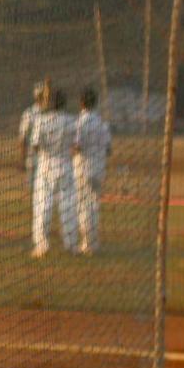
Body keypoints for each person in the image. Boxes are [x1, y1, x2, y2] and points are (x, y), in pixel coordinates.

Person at [27, 85, 77, 258]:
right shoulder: (72, 121)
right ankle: (71, 244)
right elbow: (76, 146)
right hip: (66, 165)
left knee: (42, 206)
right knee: (68, 206)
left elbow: (34, 146)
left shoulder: (41, 120)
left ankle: (42, 245)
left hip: (45, 166)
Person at [72, 88, 111, 255]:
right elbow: (109, 149)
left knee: (82, 206)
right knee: (94, 205)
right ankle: (93, 242)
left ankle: (86, 243)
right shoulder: (103, 123)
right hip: (99, 169)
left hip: (82, 169)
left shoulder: (80, 122)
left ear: (82, 103)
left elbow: (77, 146)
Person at [16, 80, 48, 201]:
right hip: (34, 159)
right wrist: (22, 159)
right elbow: (22, 138)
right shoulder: (29, 114)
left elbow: (22, 138)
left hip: (44, 160)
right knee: (38, 195)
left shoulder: (48, 113)